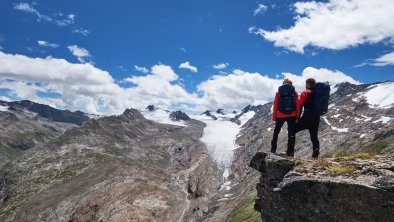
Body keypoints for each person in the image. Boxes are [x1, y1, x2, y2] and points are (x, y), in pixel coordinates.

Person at [271, 78, 300, 157]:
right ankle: (290, 153)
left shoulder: (279, 92)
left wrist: (274, 117)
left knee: (276, 131)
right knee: (291, 133)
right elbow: (297, 105)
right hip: (292, 115)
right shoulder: (294, 93)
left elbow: (275, 104)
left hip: (280, 115)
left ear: (283, 83)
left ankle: (273, 149)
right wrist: (297, 116)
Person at [295, 78, 320, 159]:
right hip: (316, 117)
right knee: (314, 137)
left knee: (292, 130)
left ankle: (290, 151)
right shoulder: (318, 93)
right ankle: (315, 155)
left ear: (308, 84)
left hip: (307, 116)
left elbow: (300, 105)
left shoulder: (305, 92)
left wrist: (297, 118)